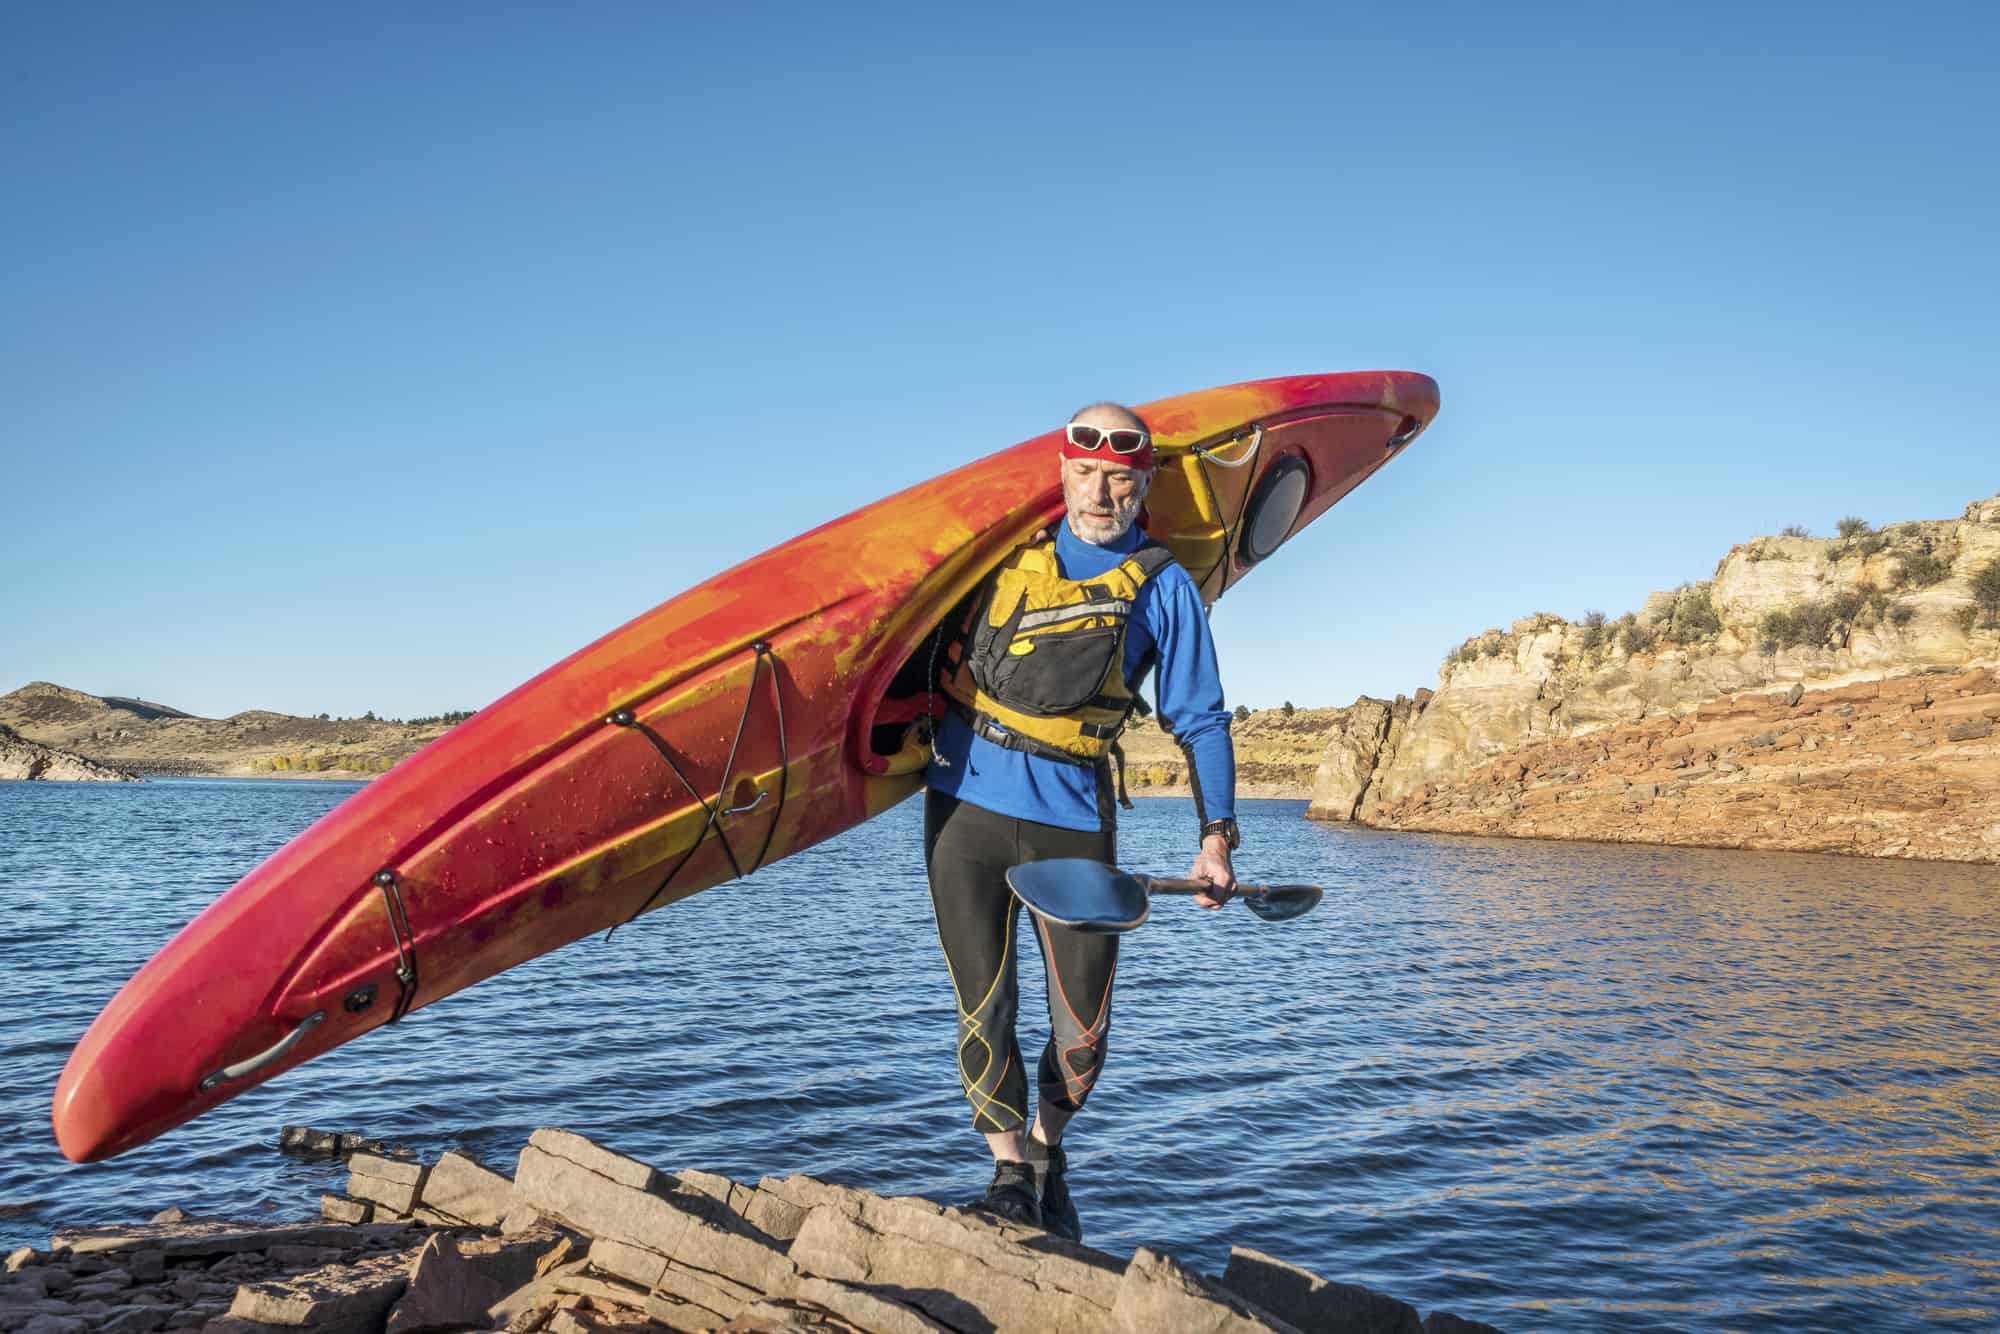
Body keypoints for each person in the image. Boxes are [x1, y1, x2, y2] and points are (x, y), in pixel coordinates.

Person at [924, 400, 1240, 1242]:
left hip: (1072, 821)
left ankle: (1044, 1152)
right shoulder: (995, 557)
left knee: (1083, 1034)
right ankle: (1006, 1175)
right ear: (1063, 472)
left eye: (1121, 477)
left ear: (1144, 483)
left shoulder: (1164, 585)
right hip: (964, 811)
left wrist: (1216, 839)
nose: (1103, 492)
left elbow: (1201, 718)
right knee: (981, 1007)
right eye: (1088, 472)